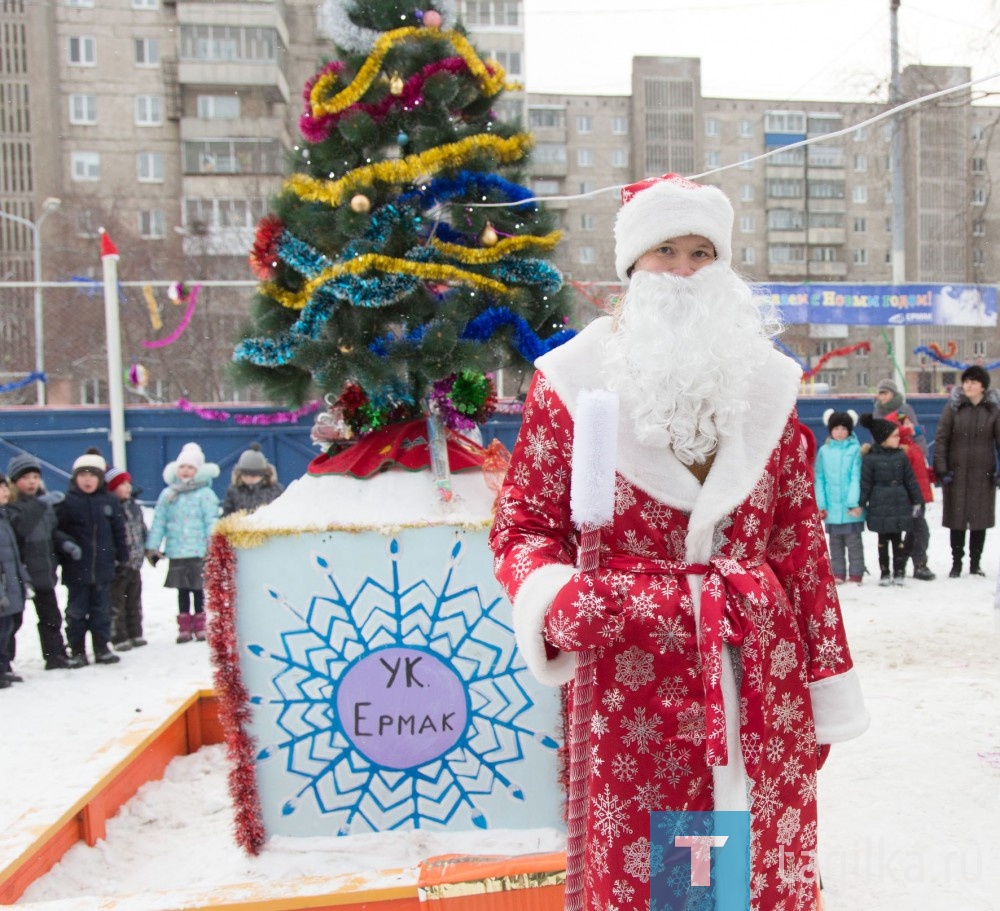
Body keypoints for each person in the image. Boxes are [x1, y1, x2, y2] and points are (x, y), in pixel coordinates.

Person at [488, 173, 869, 911]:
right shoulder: (572, 386)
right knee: (671, 880)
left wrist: (823, 692)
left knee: (763, 867)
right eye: (666, 250)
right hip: (637, 687)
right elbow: (524, 525)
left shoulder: (768, 389)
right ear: (634, 267)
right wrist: (556, 595)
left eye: (702, 251)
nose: (687, 270)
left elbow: (802, 550)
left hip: (761, 682)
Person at [55, 449, 128, 667]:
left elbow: (119, 532)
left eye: (92, 475)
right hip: (77, 570)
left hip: (103, 569)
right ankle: (77, 650)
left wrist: (122, 557)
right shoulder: (67, 502)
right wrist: (66, 545)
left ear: (99, 479)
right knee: (76, 612)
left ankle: (101, 647)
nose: (87, 480)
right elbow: (57, 531)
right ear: (75, 478)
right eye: (83, 475)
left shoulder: (109, 502)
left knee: (101, 610)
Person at [5, 452, 79, 670]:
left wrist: (65, 543)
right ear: (15, 481)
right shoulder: (11, 505)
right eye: (25, 477)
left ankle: (55, 655)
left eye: (35, 477)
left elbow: (52, 531)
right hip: (21, 574)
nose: (31, 482)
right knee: (13, 622)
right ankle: (4, 663)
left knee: (51, 617)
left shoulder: (43, 504)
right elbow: (21, 527)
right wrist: (40, 505)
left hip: (44, 571)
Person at [145, 442, 220, 643]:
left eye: (190, 467)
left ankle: (200, 625)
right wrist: (153, 546)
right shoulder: (169, 494)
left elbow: (211, 520)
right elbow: (159, 520)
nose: (186, 471)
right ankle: (184, 627)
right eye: (182, 467)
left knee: (198, 589)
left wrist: (214, 544)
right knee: (182, 590)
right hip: (177, 551)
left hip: (198, 550)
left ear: (198, 471)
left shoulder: (205, 494)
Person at [933, 364, 1000, 577]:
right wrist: (942, 470)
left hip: (983, 472)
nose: (968, 385)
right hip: (957, 472)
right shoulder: (953, 407)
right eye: (966, 381)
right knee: (957, 518)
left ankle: (975, 563)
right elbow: (942, 439)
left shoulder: (993, 409)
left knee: (979, 518)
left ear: (983, 386)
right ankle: (956, 563)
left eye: (973, 382)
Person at [859, 414, 924, 586]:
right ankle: (885, 572)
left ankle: (899, 570)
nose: (898, 439)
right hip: (879, 503)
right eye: (894, 436)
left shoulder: (901, 456)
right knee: (882, 541)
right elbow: (865, 483)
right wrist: (860, 503)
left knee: (898, 541)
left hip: (899, 502)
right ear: (883, 439)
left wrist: (917, 500)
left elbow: (910, 480)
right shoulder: (870, 458)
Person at [814, 409, 866, 584]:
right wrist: (821, 504)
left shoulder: (855, 449)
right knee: (835, 543)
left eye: (844, 429)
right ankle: (838, 572)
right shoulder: (824, 451)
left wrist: (853, 502)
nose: (840, 432)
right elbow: (819, 478)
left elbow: (856, 477)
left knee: (854, 542)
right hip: (832, 507)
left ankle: (857, 572)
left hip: (851, 507)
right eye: (836, 429)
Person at [886, 411, 936, 581]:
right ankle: (920, 564)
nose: (911, 426)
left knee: (914, 532)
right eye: (905, 424)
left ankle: (904, 561)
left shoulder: (913, 446)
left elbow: (918, 471)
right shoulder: (901, 449)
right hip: (909, 499)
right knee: (921, 531)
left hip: (918, 497)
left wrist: (932, 474)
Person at [104, 467, 148, 650]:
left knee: (134, 600)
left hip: (135, 562)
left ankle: (135, 632)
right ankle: (119, 636)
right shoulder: (110, 508)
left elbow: (142, 530)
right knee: (117, 602)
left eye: (128, 483)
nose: (127, 487)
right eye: (122, 484)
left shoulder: (134, 507)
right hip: (118, 564)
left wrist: (147, 548)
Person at [0, 472, 28, 688]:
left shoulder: (5, 517)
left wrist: (22, 578)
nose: (4, 492)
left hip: (11, 584)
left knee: (11, 626)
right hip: (2, 588)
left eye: (4, 487)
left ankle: (5, 665)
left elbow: (14, 554)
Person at [220, 444, 284, 517]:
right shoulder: (234, 490)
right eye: (245, 475)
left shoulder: (275, 490)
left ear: (263, 475)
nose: (248, 479)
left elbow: (282, 512)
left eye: (253, 476)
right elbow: (227, 513)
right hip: (241, 526)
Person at [873, 377, 927, 460]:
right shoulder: (878, 412)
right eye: (880, 394)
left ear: (893, 394)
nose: (882, 397)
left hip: (906, 454)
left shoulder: (901, 411)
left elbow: (914, 432)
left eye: (885, 393)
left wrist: (922, 453)